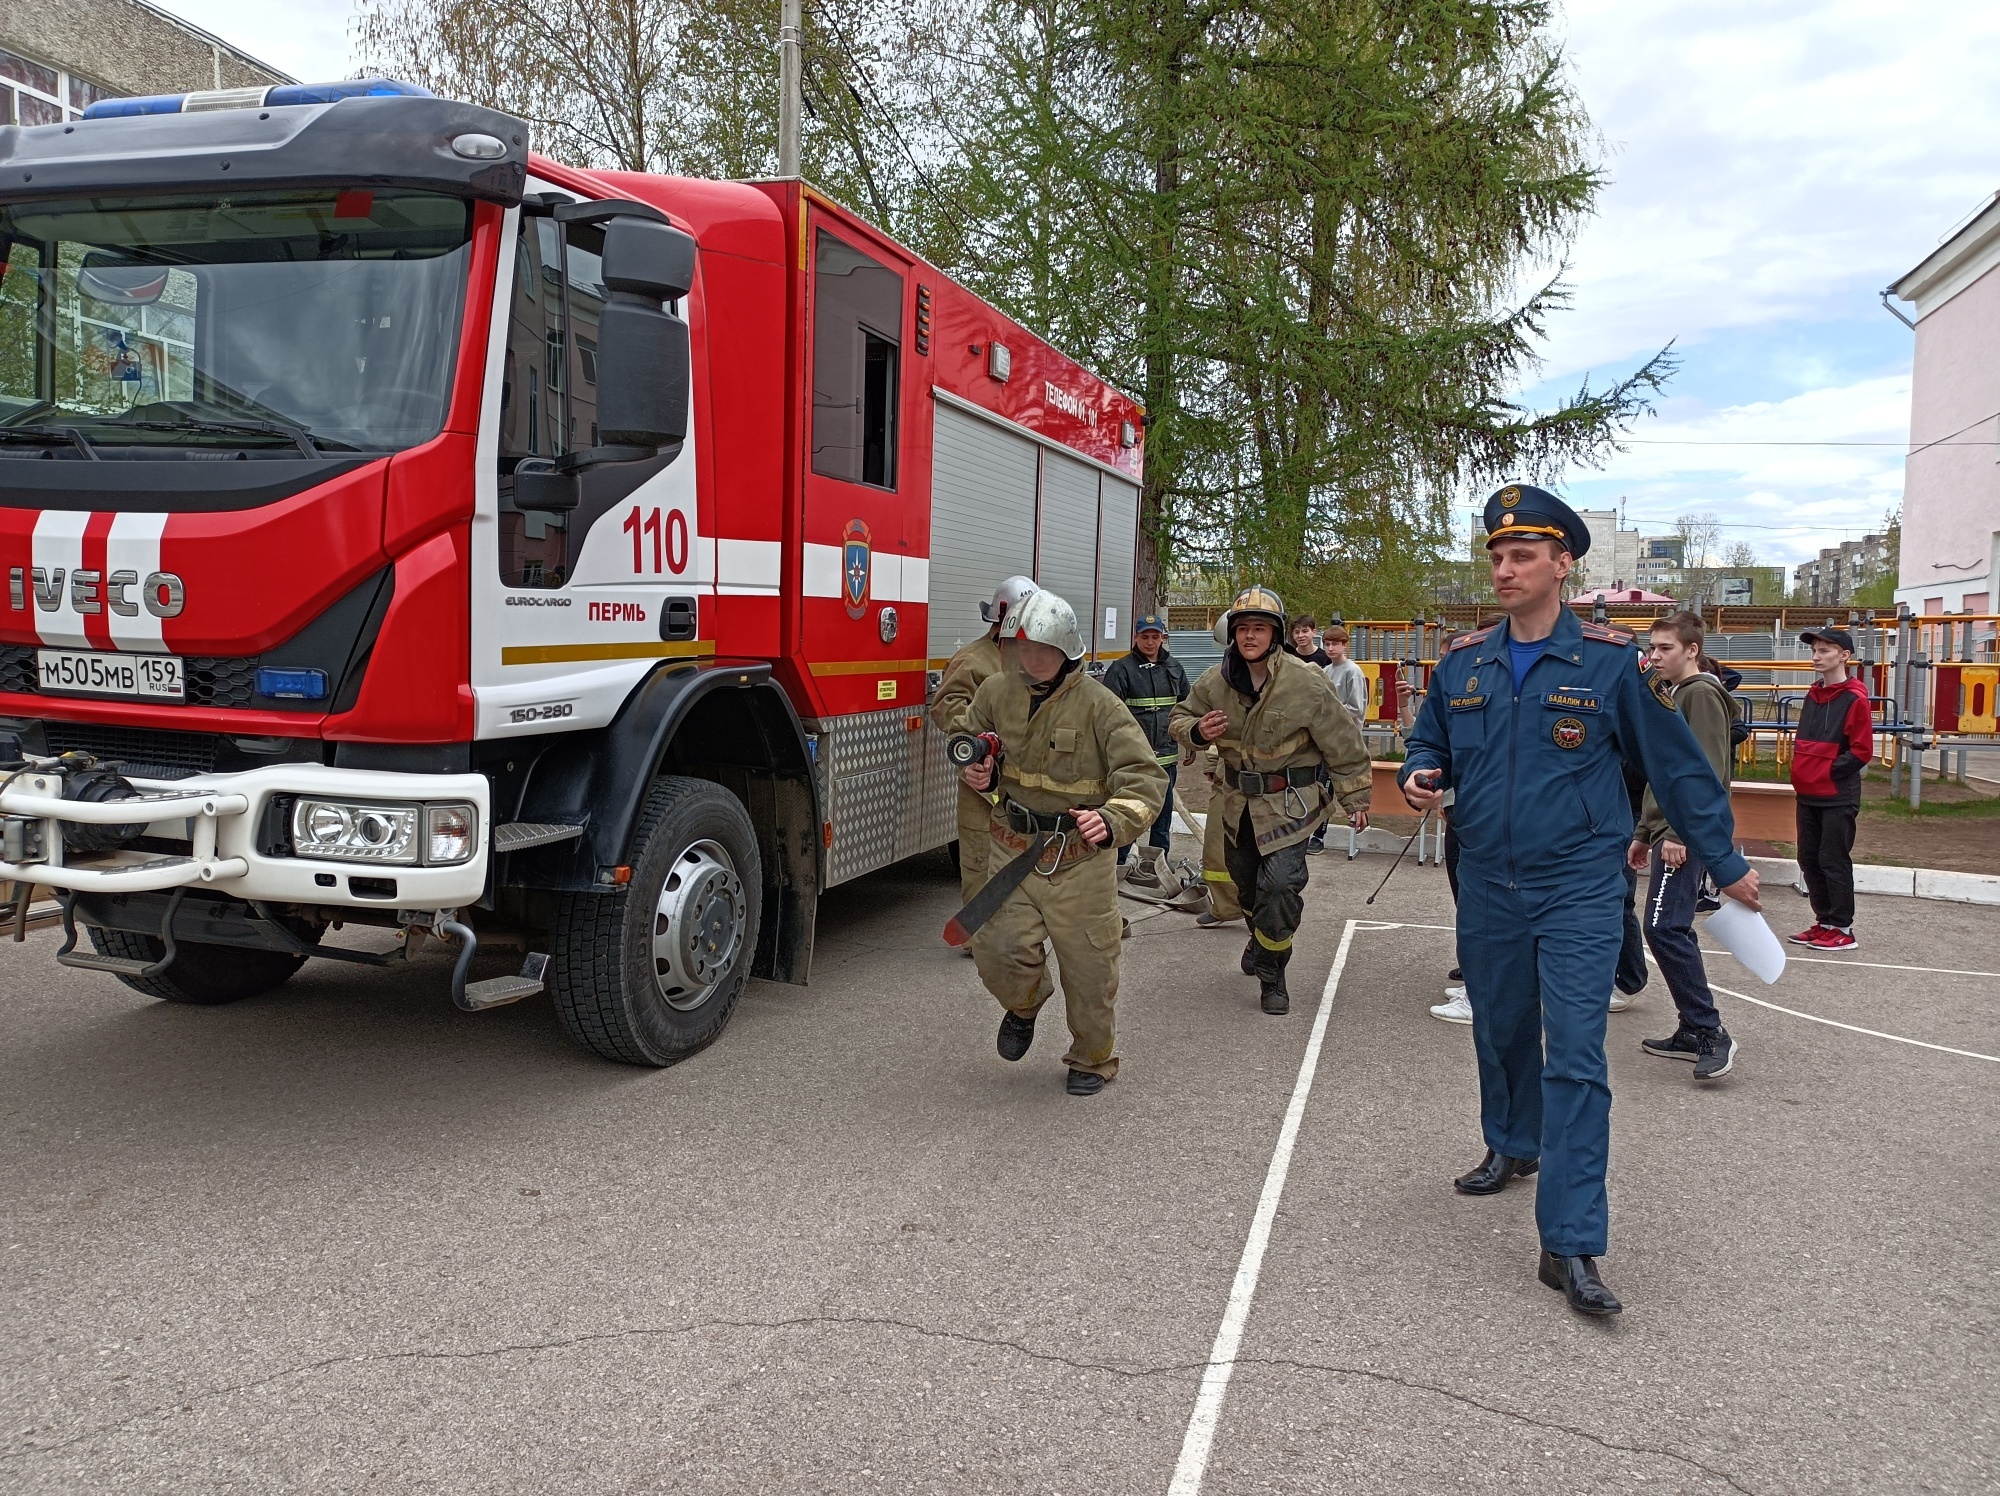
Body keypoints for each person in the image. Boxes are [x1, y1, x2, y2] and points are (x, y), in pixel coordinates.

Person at [1400, 484, 1761, 1317]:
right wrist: (1425, 773)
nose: (1505, 567)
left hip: (1578, 887)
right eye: (1496, 554)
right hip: (1487, 878)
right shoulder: (1463, 662)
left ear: (1564, 565)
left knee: (1577, 1057)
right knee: (1500, 1025)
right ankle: (1513, 1145)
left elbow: (1677, 768)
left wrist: (1724, 857)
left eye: (1522, 554)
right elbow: (1433, 741)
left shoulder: (1609, 664)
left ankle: (1569, 1242)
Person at [958, 590, 1167, 1095]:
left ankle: (1092, 1060)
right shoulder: (995, 692)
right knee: (995, 947)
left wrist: (1113, 820)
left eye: (1042, 650)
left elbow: (1145, 779)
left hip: (1079, 856)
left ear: (1067, 651)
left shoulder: (1101, 706)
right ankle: (1025, 1003)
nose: (1031, 660)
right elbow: (969, 737)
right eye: (1023, 648)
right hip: (1015, 847)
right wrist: (976, 766)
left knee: (1091, 969)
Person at [1171, 587, 1373, 1015]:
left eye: (1259, 628)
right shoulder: (1214, 681)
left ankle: (1272, 972)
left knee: (1279, 886)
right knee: (1247, 888)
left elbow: (1342, 741)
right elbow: (1179, 717)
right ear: (1232, 634)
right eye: (1243, 628)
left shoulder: (1306, 681)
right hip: (1235, 806)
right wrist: (1196, 731)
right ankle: (1256, 933)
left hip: (1290, 807)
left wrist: (1356, 797)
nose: (1249, 637)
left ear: (1275, 634)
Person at [1628, 612, 1740, 1080]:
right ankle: (1692, 1028)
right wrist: (1643, 833)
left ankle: (1711, 1031)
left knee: (1665, 928)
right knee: (1664, 927)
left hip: (1686, 834)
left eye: (1665, 649)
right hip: (1666, 831)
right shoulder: (1672, 694)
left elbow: (1705, 772)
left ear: (1691, 649)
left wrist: (1676, 833)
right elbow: (1662, 772)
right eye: (1651, 649)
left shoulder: (1699, 695)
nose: (1654, 657)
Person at [932, 576, 1038, 932]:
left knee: (1023, 855)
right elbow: (946, 708)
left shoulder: (1035, 657)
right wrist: (985, 737)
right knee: (980, 858)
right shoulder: (974, 659)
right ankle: (977, 936)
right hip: (982, 782)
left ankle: (1015, 930)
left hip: (1026, 781)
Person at [1788, 626, 1872, 950]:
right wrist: (1804, 773)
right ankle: (1824, 921)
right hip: (1807, 792)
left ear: (1844, 655)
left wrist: (1824, 771)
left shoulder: (1855, 698)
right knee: (1808, 857)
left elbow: (1861, 751)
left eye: (1824, 650)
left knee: (1832, 858)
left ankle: (1843, 928)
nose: (1816, 656)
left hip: (1837, 795)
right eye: (1814, 651)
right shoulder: (1812, 695)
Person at [1103, 613, 1191, 886]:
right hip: (1132, 758)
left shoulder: (1175, 668)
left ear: (1162, 638)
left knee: (1163, 811)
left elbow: (1187, 709)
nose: (1150, 642)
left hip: (1166, 755)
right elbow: (1108, 714)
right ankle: (1119, 862)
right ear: (1136, 638)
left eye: (1155, 636)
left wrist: (1190, 741)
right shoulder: (1121, 669)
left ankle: (1156, 863)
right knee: (1129, 808)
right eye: (1145, 637)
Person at [1323, 625, 1369, 724]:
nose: (1330, 648)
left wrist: (1328, 712)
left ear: (1345, 645)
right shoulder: (1326, 670)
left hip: (1347, 733)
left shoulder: (1352, 671)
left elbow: (1355, 709)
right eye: (1327, 644)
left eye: (1335, 644)